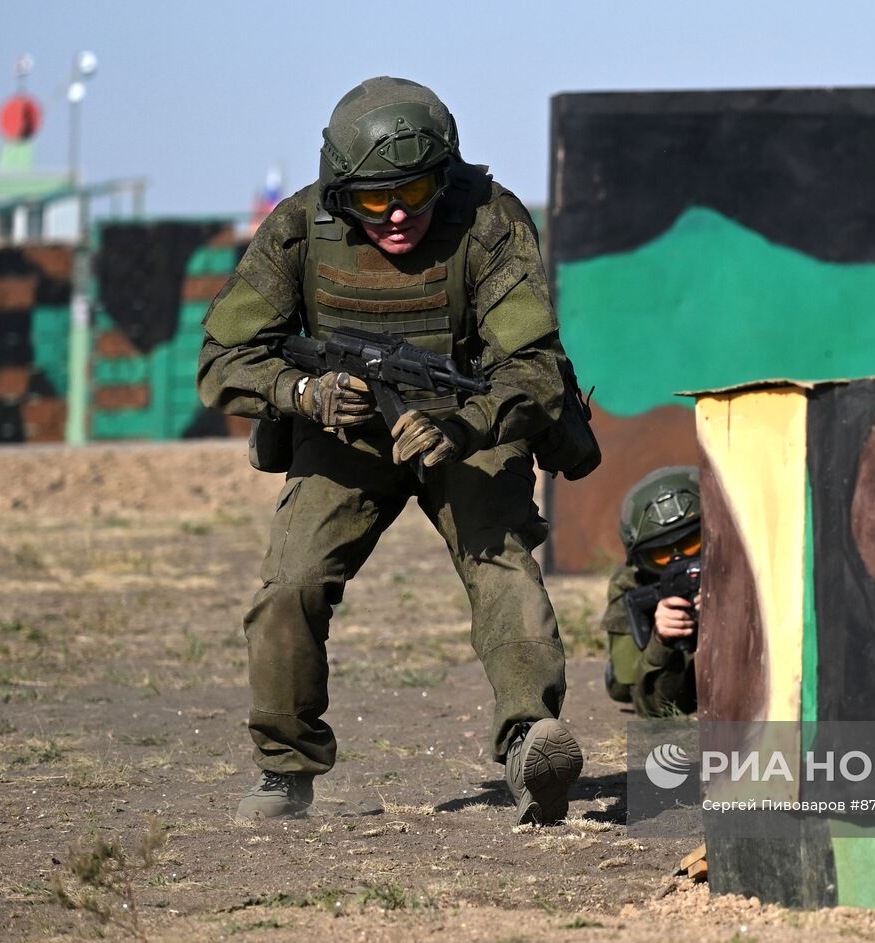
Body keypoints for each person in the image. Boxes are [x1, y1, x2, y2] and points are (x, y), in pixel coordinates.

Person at [197, 77, 582, 825]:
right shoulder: (299, 229)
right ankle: (285, 769)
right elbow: (222, 357)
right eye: (374, 200)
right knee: (291, 583)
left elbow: (533, 369)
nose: (399, 214)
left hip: (467, 423)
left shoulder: (490, 222)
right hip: (343, 431)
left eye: (415, 191)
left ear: (446, 175)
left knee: (501, 567)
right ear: (341, 194)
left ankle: (532, 744)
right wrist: (301, 396)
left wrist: (464, 425)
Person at [600, 467, 700, 717]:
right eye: (661, 554)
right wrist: (661, 641)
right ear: (640, 560)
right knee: (622, 683)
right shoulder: (632, 584)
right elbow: (655, 710)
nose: (678, 561)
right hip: (660, 676)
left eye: (691, 543)